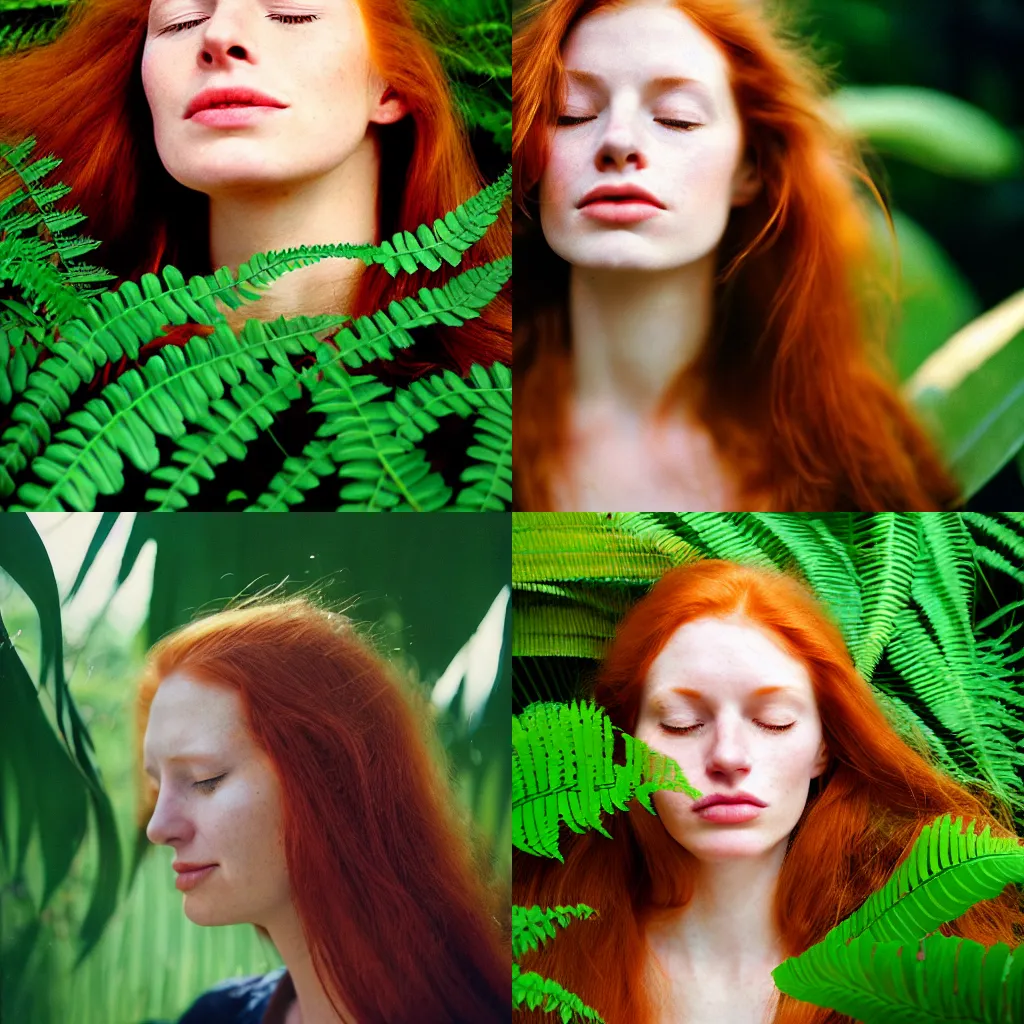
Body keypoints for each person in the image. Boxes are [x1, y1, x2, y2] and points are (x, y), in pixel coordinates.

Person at [512, 560, 1023, 1023]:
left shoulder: (927, 957)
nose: (729, 757)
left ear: (825, 744)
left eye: (773, 722)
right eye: (681, 723)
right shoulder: (526, 944)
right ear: (621, 743)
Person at [512, 0, 960, 511]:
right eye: (573, 114)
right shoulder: (460, 421)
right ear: (529, 155)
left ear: (749, 166)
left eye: (677, 119)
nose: (617, 140)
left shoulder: (854, 445)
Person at [0, 0, 510, 376]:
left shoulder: (512, 402)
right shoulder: (45, 373)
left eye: (291, 13)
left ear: (393, 82)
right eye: (182, 20)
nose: (219, 35)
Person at [138, 597, 510, 1024]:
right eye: (155, 786)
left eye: (205, 779)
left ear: (330, 777)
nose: (158, 827)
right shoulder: (213, 1016)